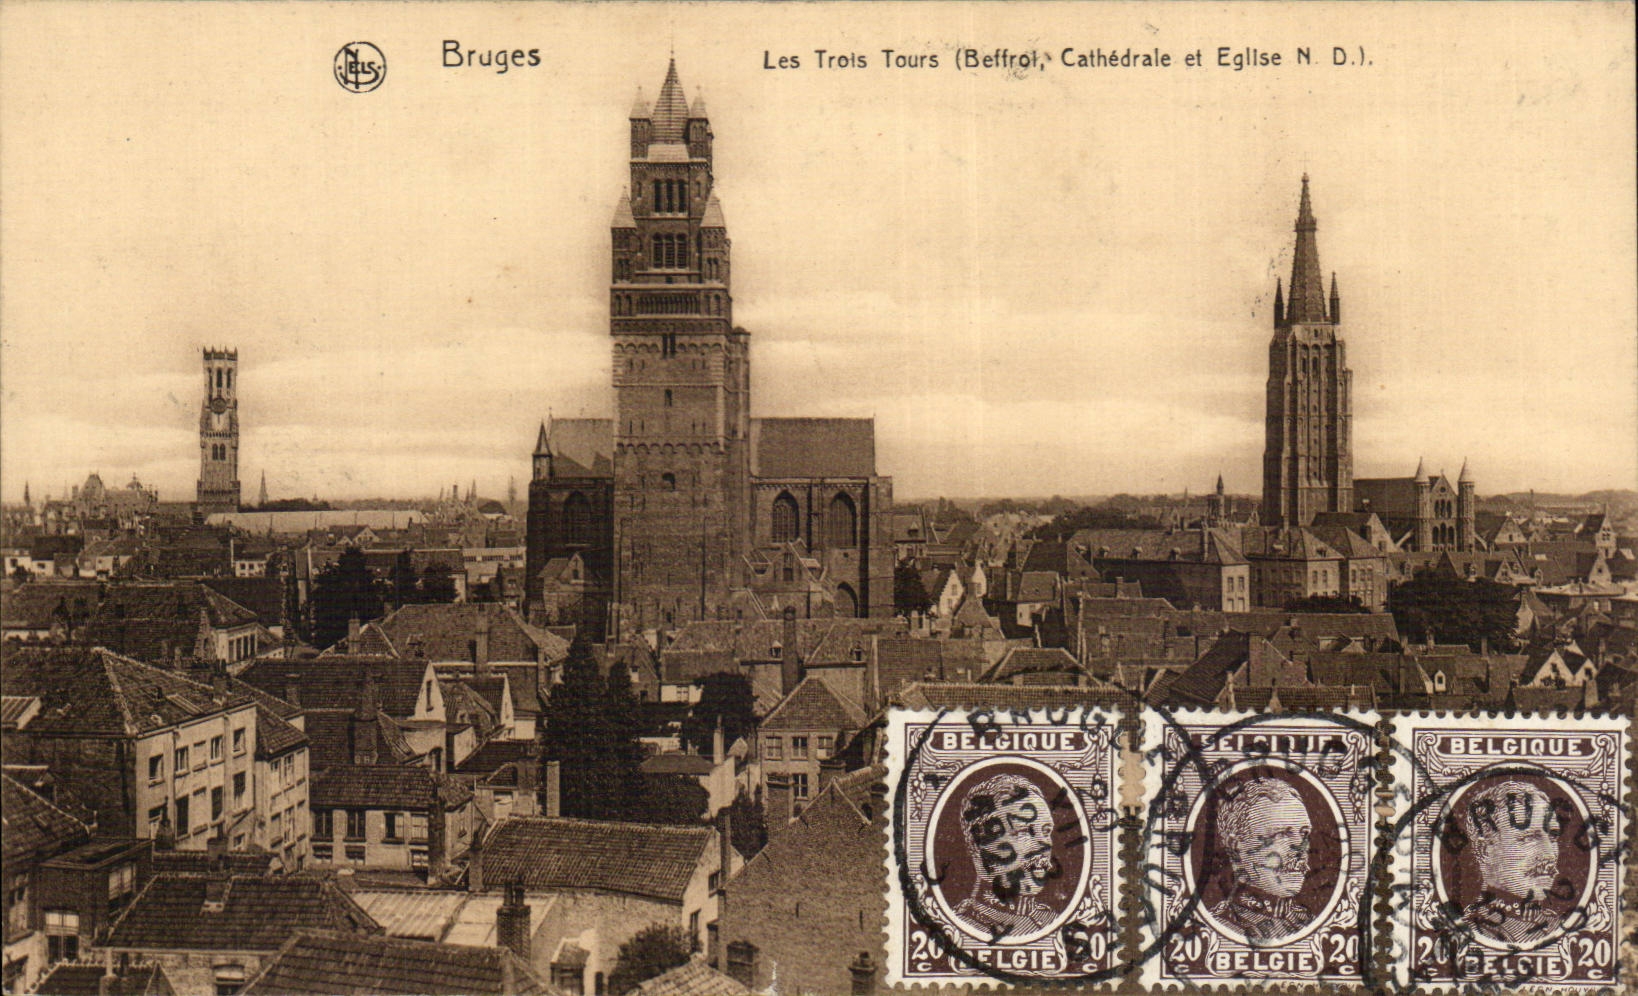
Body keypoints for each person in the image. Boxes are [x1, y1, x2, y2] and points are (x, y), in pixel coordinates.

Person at [950, 772, 1060, 938]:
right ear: (980, 849)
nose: (1046, 844)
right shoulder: (960, 927)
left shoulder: (1052, 921)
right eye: (1024, 832)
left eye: (1046, 831)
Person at [1456, 779, 1564, 945]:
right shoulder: (1469, 934)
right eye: (1529, 838)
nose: (1549, 854)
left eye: (1553, 836)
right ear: (1486, 850)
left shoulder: (1557, 926)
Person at [1208, 775, 1315, 942]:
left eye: (1304, 833)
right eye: (1281, 834)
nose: (1300, 847)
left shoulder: (1309, 923)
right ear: (1235, 846)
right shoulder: (1217, 925)